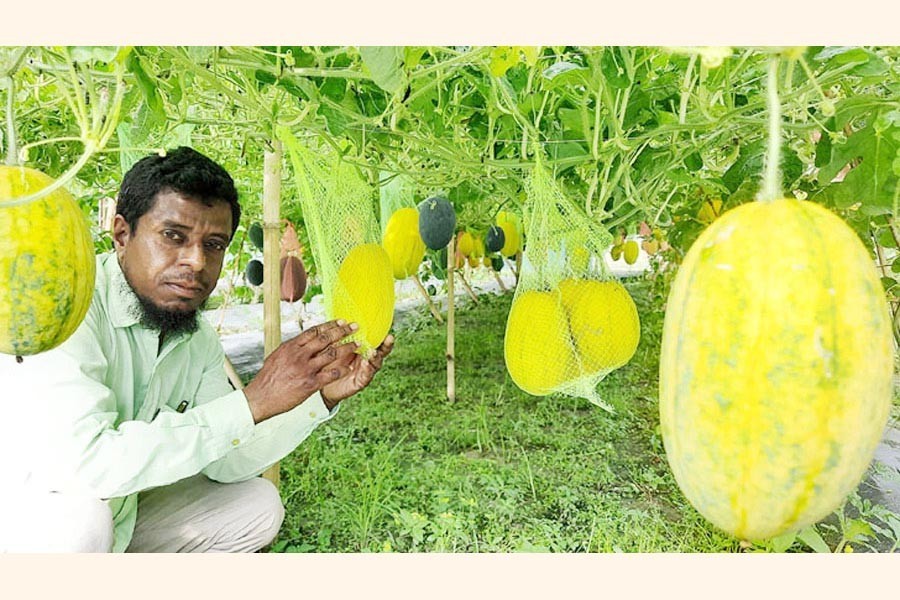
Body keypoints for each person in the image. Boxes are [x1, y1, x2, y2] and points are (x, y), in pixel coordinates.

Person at [0, 147, 394, 553]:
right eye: (174, 236)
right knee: (82, 524)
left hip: (116, 514)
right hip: (29, 520)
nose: (196, 261)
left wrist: (320, 395)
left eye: (214, 244)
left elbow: (225, 463)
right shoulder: (70, 311)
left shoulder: (197, 338)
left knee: (256, 506)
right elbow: (84, 466)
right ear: (122, 234)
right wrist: (253, 400)